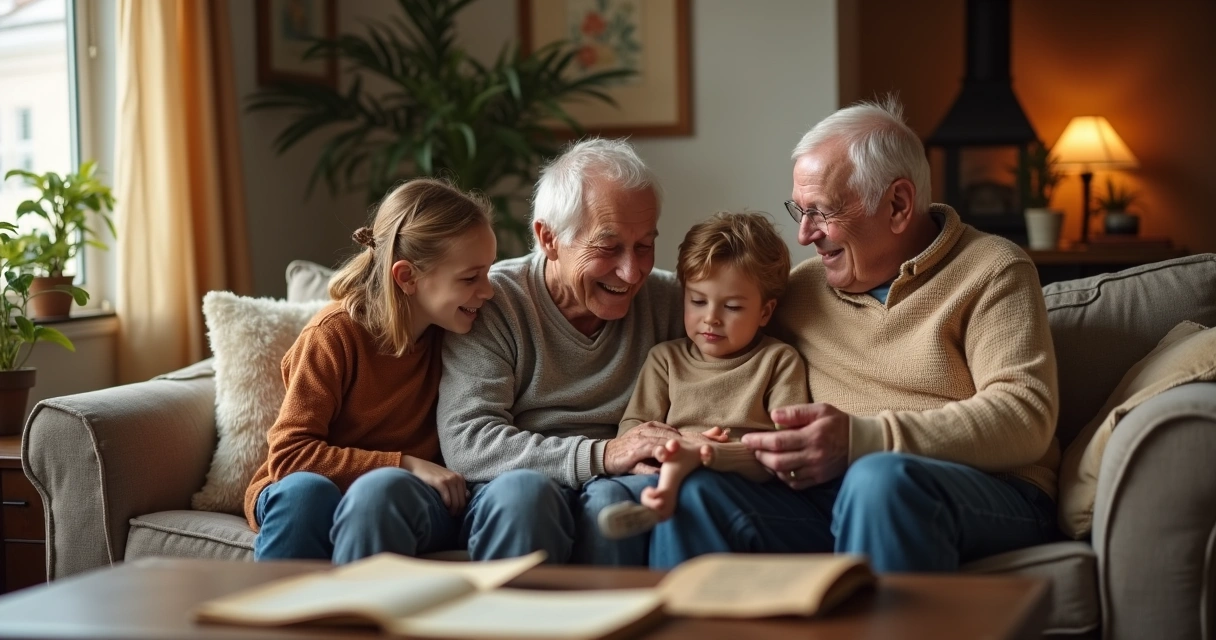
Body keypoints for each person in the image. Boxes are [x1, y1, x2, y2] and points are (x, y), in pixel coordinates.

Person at [650, 97, 1061, 572]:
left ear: (898, 204)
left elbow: (1024, 416)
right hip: (832, 497)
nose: (804, 235)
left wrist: (863, 439)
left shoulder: (992, 270)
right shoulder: (801, 289)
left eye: (821, 212)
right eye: (798, 211)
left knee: (878, 480)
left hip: (987, 491)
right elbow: (709, 324)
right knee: (697, 494)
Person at [437, 138, 695, 566]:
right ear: (549, 238)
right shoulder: (493, 301)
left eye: (645, 245)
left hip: (623, 485)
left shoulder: (672, 301)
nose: (632, 273)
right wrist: (603, 455)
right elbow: (469, 442)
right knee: (524, 496)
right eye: (608, 247)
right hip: (520, 484)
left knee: (621, 504)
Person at [245, 178, 497, 563]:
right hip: (305, 490)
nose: (489, 290)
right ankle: (272, 618)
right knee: (306, 495)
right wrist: (406, 463)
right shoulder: (333, 336)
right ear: (407, 277)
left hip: (398, 500)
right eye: (470, 277)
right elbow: (289, 456)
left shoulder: (461, 335)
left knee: (389, 496)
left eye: (488, 272)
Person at [599, 211, 808, 538]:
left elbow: (786, 448)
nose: (710, 318)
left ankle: (665, 501)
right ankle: (656, 503)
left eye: (733, 307)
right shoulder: (665, 359)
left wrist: (712, 454)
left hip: (739, 484)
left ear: (765, 311)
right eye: (697, 301)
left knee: (698, 488)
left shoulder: (778, 361)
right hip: (666, 466)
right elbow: (634, 429)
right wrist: (672, 447)